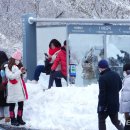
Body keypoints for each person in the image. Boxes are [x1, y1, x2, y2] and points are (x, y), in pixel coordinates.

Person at [97, 59, 124, 130]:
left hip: (105, 105)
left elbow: (102, 93)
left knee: (101, 120)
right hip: (115, 103)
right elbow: (120, 86)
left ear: (101, 68)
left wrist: (101, 107)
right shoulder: (116, 74)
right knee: (116, 121)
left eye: (99, 68)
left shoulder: (102, 78)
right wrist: (113, 93)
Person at [5, 50, 28, 126]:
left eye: (19, 60)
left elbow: (22, 77)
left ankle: (19, 118)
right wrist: (19, 71)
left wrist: (24, 72)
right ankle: (13, 119)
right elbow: (11, 76)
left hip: (19, 88)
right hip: (12, 89)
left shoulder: (19, 66)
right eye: (18, 60)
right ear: (14, 59)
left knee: (21, 104)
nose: (19, 61)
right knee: (12, 104)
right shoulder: (7, 67)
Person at [0, 51, 10, 123]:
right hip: (6, 85)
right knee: (6, 100)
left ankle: (2, 115)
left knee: (2, 100)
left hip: (3, 84)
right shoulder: (7, 64)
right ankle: (6, 116)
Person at [120, 63, 130, 130]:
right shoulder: (126, 79)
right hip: (127, 108)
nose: (123, 72)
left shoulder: (128, 80)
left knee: (127, 125)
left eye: (124, 71)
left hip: (128, 108)